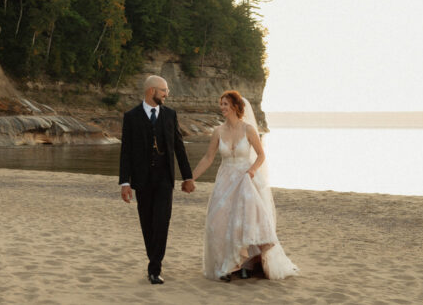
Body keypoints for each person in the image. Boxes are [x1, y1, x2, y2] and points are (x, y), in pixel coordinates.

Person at [190, 89, 299, 282]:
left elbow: (261, 155)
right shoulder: (218, 131)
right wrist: (191, 178)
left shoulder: (248, 129)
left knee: (244, 221)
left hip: (245, 179)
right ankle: (225, 265)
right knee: (219, 222)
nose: (222, 107)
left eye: (225, 104)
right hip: (224, 180)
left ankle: (245, 265)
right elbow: (208, 158)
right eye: (221, 104)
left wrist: (252, 170)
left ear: (235, 106)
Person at [119, 75, 195, 284]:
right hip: (142, 180)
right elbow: (126, 152)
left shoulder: (170, 115)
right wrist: (125, 182)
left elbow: (179, 147)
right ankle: (153, 260)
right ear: (151, 91)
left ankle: (154, 268)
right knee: (147, 224)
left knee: (162, 222)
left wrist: (187, 177)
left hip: (164, 180)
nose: (167, 94)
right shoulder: (131, 117)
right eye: (164, 90)